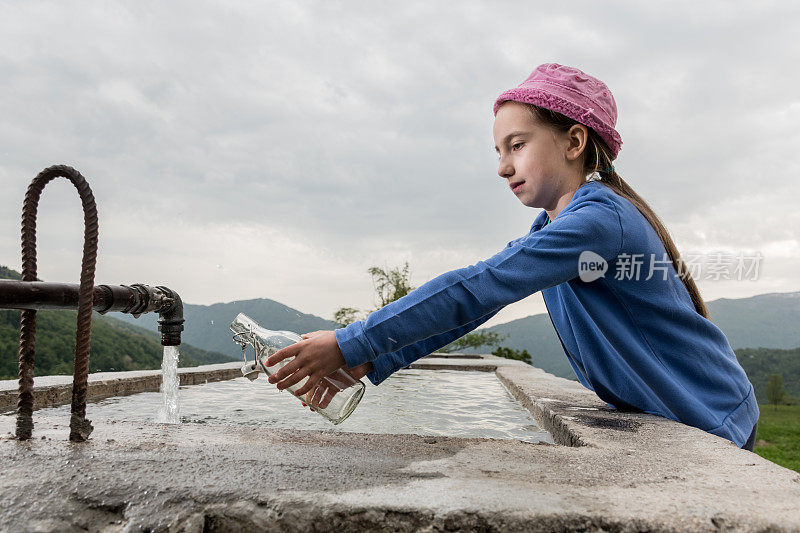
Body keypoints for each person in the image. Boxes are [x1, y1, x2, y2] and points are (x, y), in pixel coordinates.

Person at [265, 63, 760, 451]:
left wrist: (353, 341)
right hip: (687, 414)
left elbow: (479, 285)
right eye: (497, 151)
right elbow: (478, 306)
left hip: (708, 418)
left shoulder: (600, 220)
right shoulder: (552, 227)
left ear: (574, 141)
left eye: (516, 146)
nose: (503, 167)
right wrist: (373, 358)